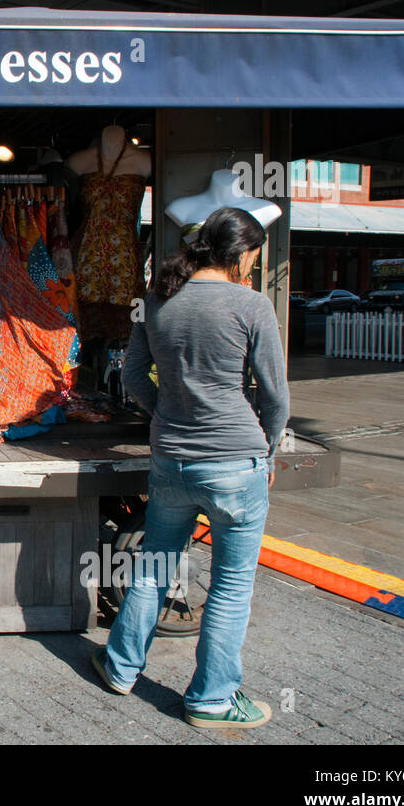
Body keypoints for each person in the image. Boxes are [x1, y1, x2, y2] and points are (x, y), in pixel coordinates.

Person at [91, 206, 290, 730]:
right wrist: (267, 452)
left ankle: (119, 667)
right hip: (234, 463)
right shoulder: (252, 305)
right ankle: (211, 699)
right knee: (230, 584)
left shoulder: (157, 300)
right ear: (242, 254)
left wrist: (165, 412)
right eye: (254, 256)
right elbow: (275, 398)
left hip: (172, 459)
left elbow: (132, 374)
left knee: (154, 565)